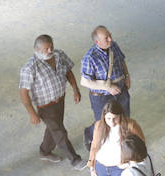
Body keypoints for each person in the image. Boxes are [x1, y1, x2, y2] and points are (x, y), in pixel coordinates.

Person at [18, 34, 85, 168]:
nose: (50, 51)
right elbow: (23, 93)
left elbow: (68, 72)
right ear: (36, 50)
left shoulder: (59, 55)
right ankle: (75, 160)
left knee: (54, 128)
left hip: (60, 100)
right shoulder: (30, 68)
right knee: (60, 132)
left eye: (51, 47)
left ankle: (45, 151)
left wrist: (75, 89)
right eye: (46, 49)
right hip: (45, 106)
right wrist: (32, 113)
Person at [81, 26, 131, 150]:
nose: (110, 39)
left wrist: (127, 76)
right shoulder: (90, 57)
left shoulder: (113, 46)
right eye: (106, 38)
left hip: (120, 89)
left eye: (110, 35)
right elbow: (85, 81)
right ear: (97, 42)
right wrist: (107, 87)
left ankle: (122, 141)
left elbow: (122, 61)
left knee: (124, 117)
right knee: (103, 123)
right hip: (102, 97)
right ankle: (90, 133)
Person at [87, 100, 144, 176]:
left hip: (120, 168)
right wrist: (92, 166)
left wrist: (130, 164)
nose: (112, 122)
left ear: (120, 115)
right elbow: (94, 146)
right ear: (104, 117)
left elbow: (141, 147)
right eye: (108, 118)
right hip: (100, 166)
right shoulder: (98, 125)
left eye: (115, 118)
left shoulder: (130, 125)